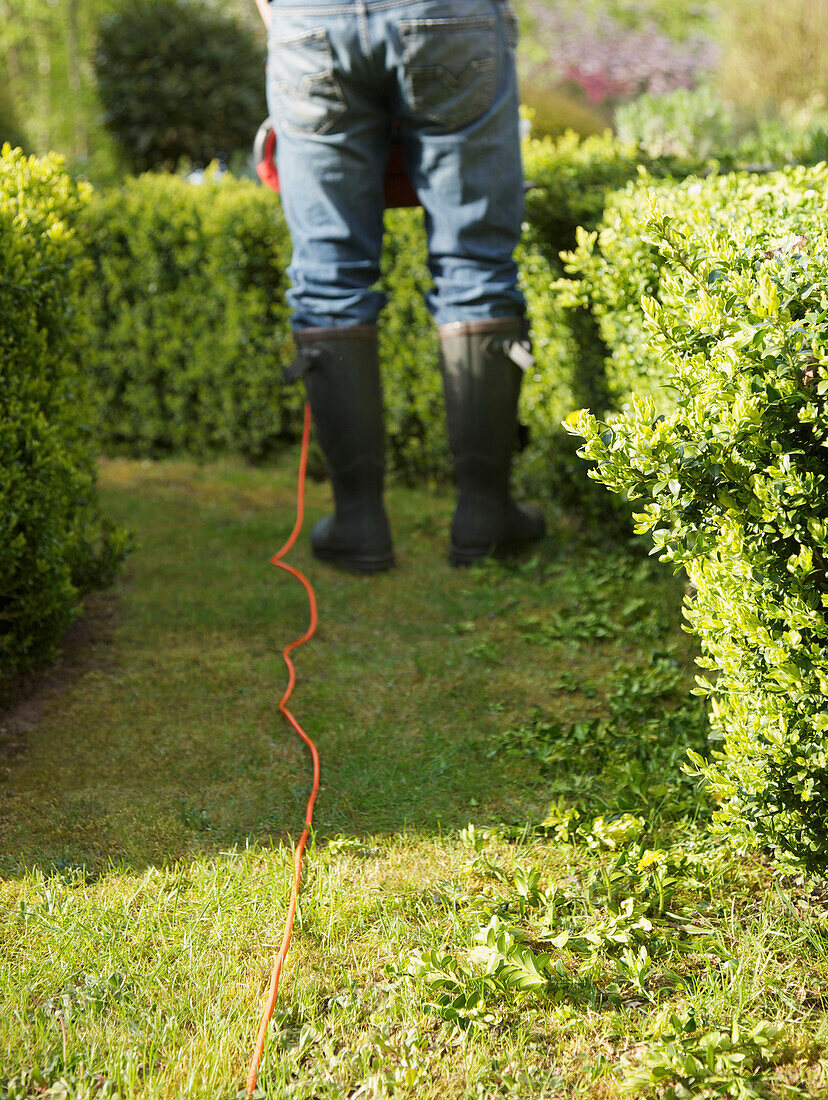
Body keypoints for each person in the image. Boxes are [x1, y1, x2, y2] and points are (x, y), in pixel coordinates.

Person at [256, 0, 545, 572]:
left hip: (311, 17)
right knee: (476, 264)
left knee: (329, 275)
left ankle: (358, 525)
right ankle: (485, 520)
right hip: (446, 14)